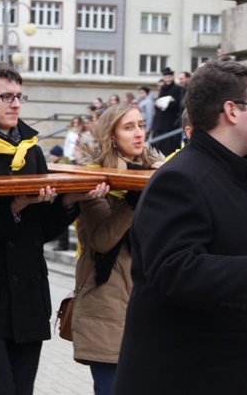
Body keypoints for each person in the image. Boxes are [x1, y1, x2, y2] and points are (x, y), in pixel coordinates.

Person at [113, 61, 247, 394]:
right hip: (192, 376)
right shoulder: (181, 178)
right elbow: (171, 272)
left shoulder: (232, 174)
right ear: (232, 110)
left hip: (232, 372)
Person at [0, 62, 107, 395]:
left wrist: (69, 202)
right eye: (6, 96)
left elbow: (40, 232)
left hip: (28, 301)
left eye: (19, 96)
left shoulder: (32, 151)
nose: (15, 104)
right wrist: (14, 207)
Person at [71, 103, 163, 395]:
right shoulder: (95, 177)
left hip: (149, 302)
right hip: (107, 306)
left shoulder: (157, 174)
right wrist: (133, 201)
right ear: (111, 136)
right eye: (128, 127)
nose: (138, 133)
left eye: (140, 125)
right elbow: (101, 241)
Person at [150, 67, 183, 155]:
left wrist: (167, 105)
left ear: (172, 77)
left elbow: (178, 104)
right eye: (166, 77)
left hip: (170, 123)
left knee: (167, 146)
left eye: (169, 77)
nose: (167, 79)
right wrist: (157, 105)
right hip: (159, 122)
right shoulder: (163, 89)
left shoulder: (177, 89)